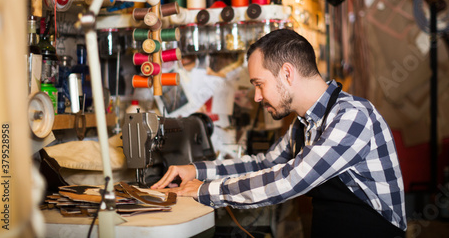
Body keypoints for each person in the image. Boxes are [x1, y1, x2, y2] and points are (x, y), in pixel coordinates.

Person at [152, 29, 406, 237]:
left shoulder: (352, 116)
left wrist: (205, 190)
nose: (257, 97)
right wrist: (196, 171)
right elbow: (263, 164)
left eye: (259, 84)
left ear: (287, 73)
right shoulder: (304, 124)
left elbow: (291, 179)